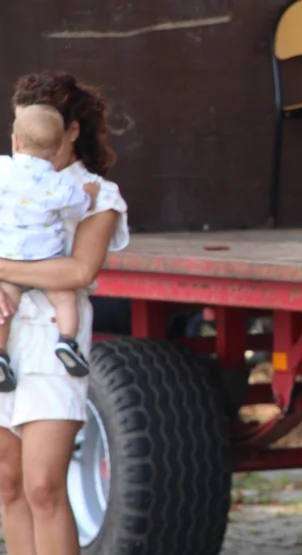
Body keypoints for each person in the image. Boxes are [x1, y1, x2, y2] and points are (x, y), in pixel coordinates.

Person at [0, 70, 129, 555]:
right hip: (4, 335)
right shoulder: (6, 181)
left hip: (55, 342)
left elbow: (77, 272)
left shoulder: (97, 195)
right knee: (8, 487)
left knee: (43, 487)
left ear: (72, 130)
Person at [0, 105, 102, 392]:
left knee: (3, 308)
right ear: (59, 146)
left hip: (8, 258)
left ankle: (0, 355)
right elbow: (81, 206)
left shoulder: (4, 170)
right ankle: (67, 341)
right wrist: (90, 196)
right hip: (46, 261)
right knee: (65, 298)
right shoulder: (59, 183)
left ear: (15, 141)